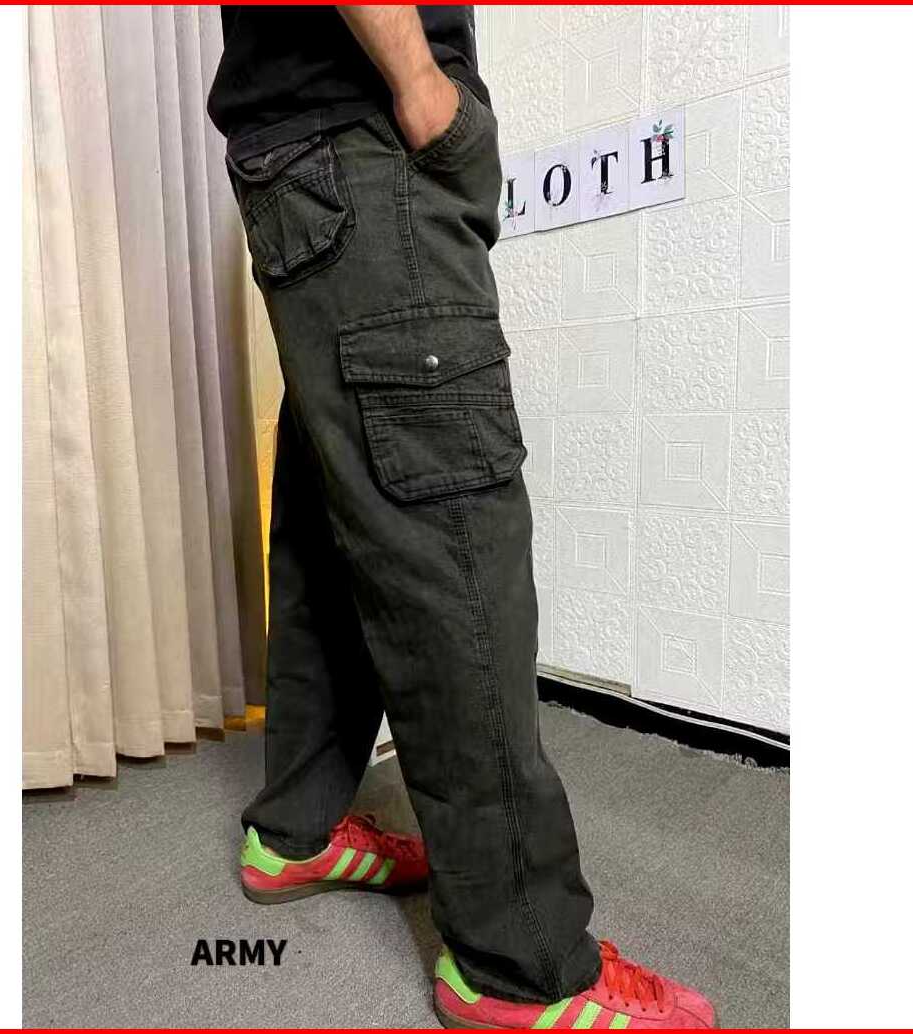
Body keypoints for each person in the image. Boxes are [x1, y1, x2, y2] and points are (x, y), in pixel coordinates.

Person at [208, 6, 716, 1029]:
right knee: (455, 554)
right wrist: (421, 83)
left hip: (300, 154)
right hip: (360, 135)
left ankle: (296, 827)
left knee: (335, 522)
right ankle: (518, 961)